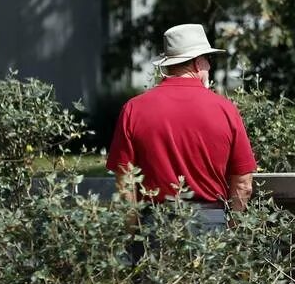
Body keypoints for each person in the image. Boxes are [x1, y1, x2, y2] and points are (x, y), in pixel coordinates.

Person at [106, 23, 256, 232]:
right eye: (208, 60)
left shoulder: (133, 109)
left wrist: (133, 234)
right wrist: (232, 229)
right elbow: (243, 184)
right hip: (210, 224)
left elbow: (125, 183)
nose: (209, 67)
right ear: (197, 63)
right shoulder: (226, 109)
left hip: (156, 225)